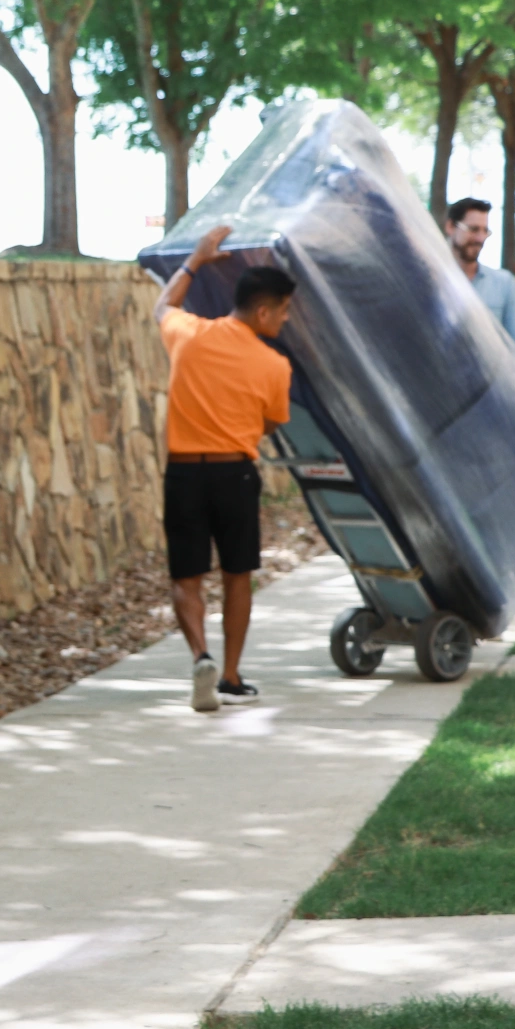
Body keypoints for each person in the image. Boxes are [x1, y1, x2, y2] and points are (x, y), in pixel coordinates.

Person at [153, 224, 295, 712]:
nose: (286, 318)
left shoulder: (188, 334)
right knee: (238, 574)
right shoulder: (274, 365)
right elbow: (273, 421)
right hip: (235, 475)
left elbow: (162, 308)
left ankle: (200, 657)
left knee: (186, 578)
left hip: (184, 473)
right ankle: (231, 676)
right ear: (263, 311)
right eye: (284, 310)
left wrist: (196, 259)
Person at [444, 197, 515, 388]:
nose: (480, 238)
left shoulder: (503, 284)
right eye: (473, 229)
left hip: (491, 395)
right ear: (451, 227)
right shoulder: (429, 281)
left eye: (485, 231)